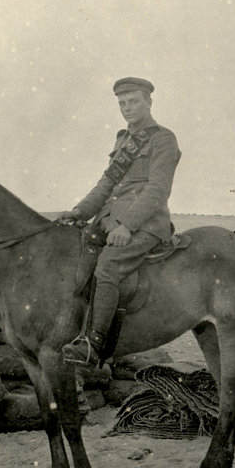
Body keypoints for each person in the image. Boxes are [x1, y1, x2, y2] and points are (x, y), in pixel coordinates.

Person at [59, 77, 181, 366]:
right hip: (108, 221)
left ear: (148, 102)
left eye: (133, 101)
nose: (127, 108)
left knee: (108, 265)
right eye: (122, 103)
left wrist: (127, 225)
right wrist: (79, 212)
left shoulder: (163, 138)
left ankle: (94, 344)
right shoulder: (122, 139)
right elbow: (106, 185)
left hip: (146, 223)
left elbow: (158, 189)